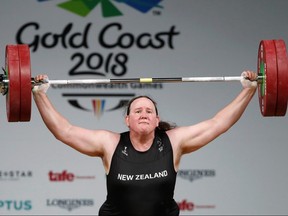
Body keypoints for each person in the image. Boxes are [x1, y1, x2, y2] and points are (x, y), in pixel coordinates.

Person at [32, 71, 258, 216]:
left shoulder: (174, 141)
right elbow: (65, 131)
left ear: (157, 120)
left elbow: (218, 123)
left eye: (149, 111)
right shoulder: (110, 144)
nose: (144, 114)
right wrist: (39, 94)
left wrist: (249, 90)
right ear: (127, 120)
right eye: (137, 110)